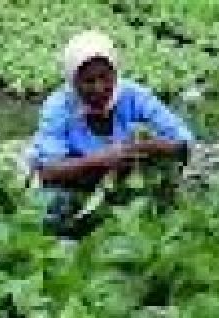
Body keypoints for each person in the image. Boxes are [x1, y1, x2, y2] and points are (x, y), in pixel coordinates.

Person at [27, 30, 195, 237]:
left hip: (124, 184)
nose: (99, 88)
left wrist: (146, 147)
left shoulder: (134, 96)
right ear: (73, 80)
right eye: (89, 81)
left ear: (115, 73)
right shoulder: (59, 107)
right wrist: (99, 160)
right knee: (54, 205)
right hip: (77, 185)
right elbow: (47, 170)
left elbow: (183, 142)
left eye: (105, 77)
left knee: (155, 199)